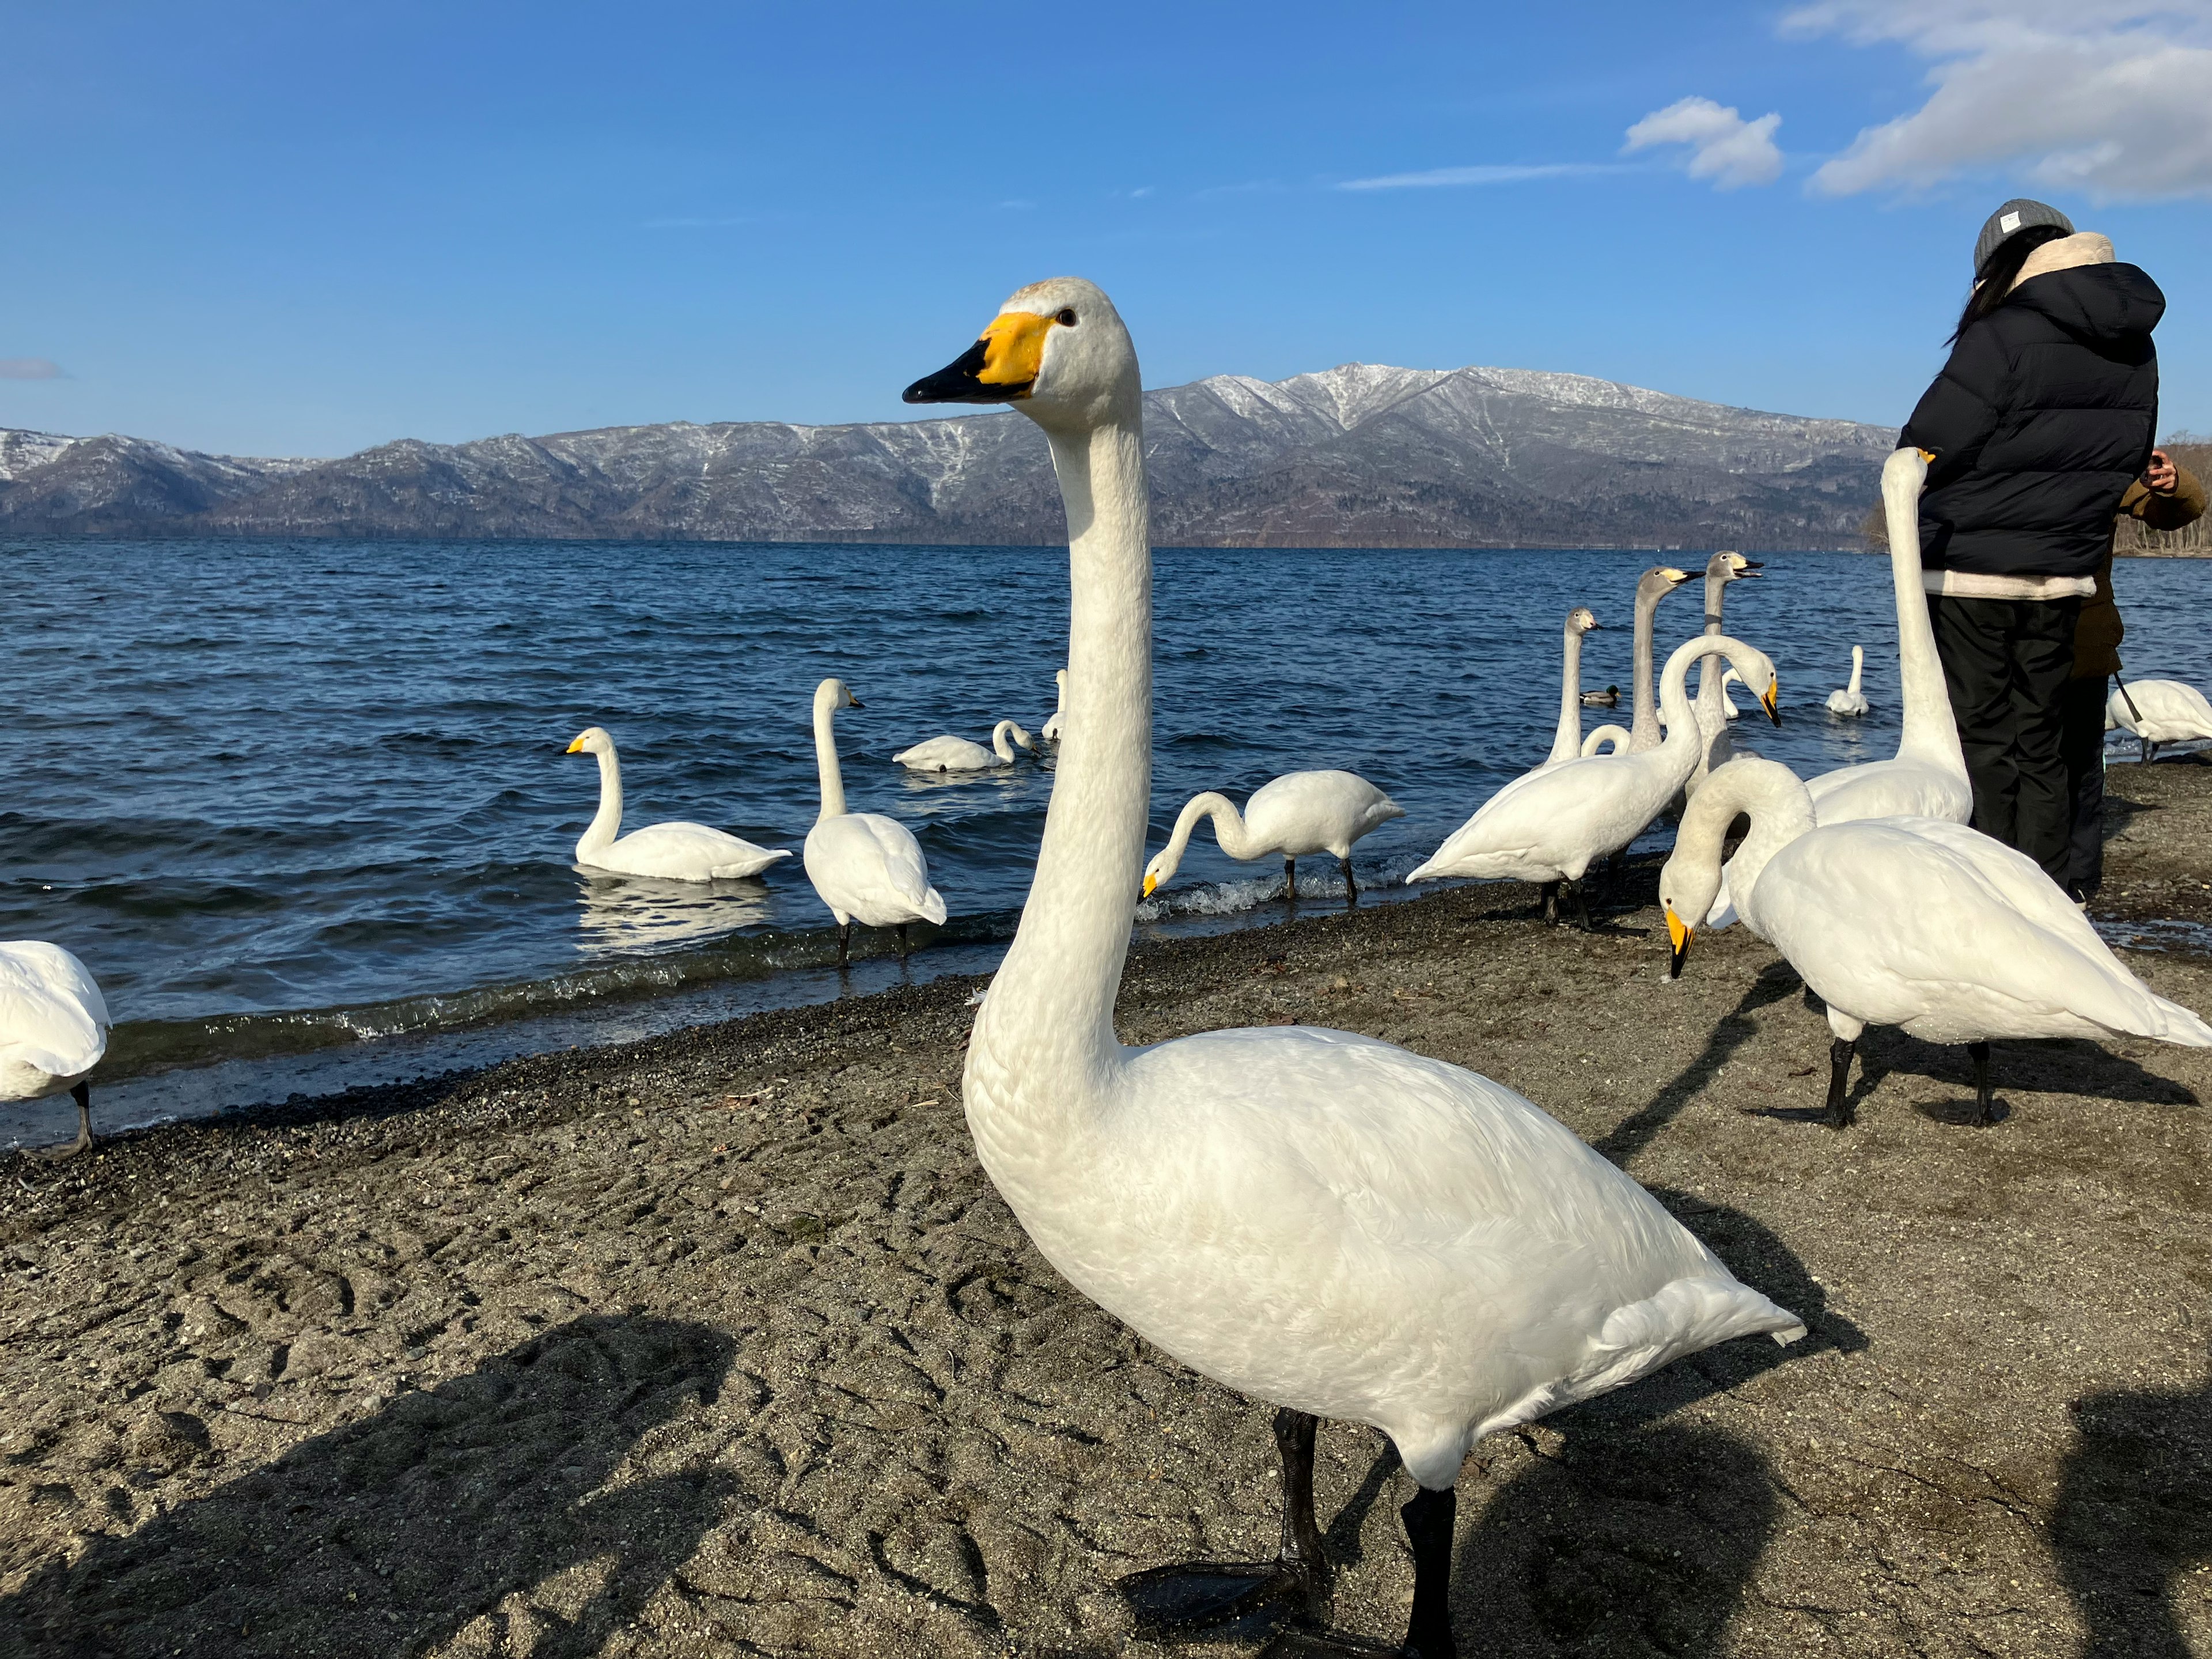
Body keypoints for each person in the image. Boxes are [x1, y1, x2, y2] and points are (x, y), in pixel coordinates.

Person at [1899, 198, 2165, 881]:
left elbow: (1928, 444)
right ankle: (2046, 895)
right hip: (2064, 576)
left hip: (1972, 576)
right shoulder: (2135, 342)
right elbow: (2124, 453)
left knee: (1983, 743)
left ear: (1997, 267)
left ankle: (1987, 892)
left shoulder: (2004, 333)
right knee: (2041, 742)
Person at [2061, 448, 2207, 901]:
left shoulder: (2104, 459)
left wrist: (2173, 482)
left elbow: (2185, 507)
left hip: (2083, 638)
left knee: (2080, 763)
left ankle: (2077, 881)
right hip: (2003, 633)